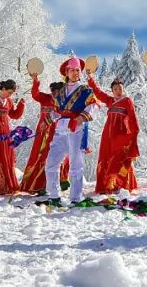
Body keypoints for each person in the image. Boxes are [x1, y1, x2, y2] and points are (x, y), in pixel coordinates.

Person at [42, 56, 101, 205]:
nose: (76, 73)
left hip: (76, 129)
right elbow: (57, 111)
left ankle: (75, 197)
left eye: (78, 70)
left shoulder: (85, 90)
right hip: (60, 129)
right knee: (51, 162)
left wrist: (79, 119)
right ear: (66, 72)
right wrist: (47, 121)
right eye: (73, 70)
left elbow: (94, 106)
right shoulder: (60, 92)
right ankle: (54, 195)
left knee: (76, 164)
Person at [86, 76, 141, 194]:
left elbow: (132, 117)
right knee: (106, 157)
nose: (118, 91)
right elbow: (98, 92)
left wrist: (134, 132)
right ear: (112, 91)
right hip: (107, 135)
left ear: (123, 89)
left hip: (120, 134)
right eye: (115, 89)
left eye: (120, 89)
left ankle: (120, 184)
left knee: (119, 158)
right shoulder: (110, 101)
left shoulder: (127, 101)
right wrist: (90, 78)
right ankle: (106, 185)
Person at [20, 79, 70, 195]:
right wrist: (35, 80)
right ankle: (38, 184)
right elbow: (35, 94)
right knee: (41, 155)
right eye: (54, 91)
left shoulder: (64, 102)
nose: (55, 94)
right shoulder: (45, 98)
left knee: (58, 155)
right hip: (43, 132)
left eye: (58, 92)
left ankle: (59, 181)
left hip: (57, 131)